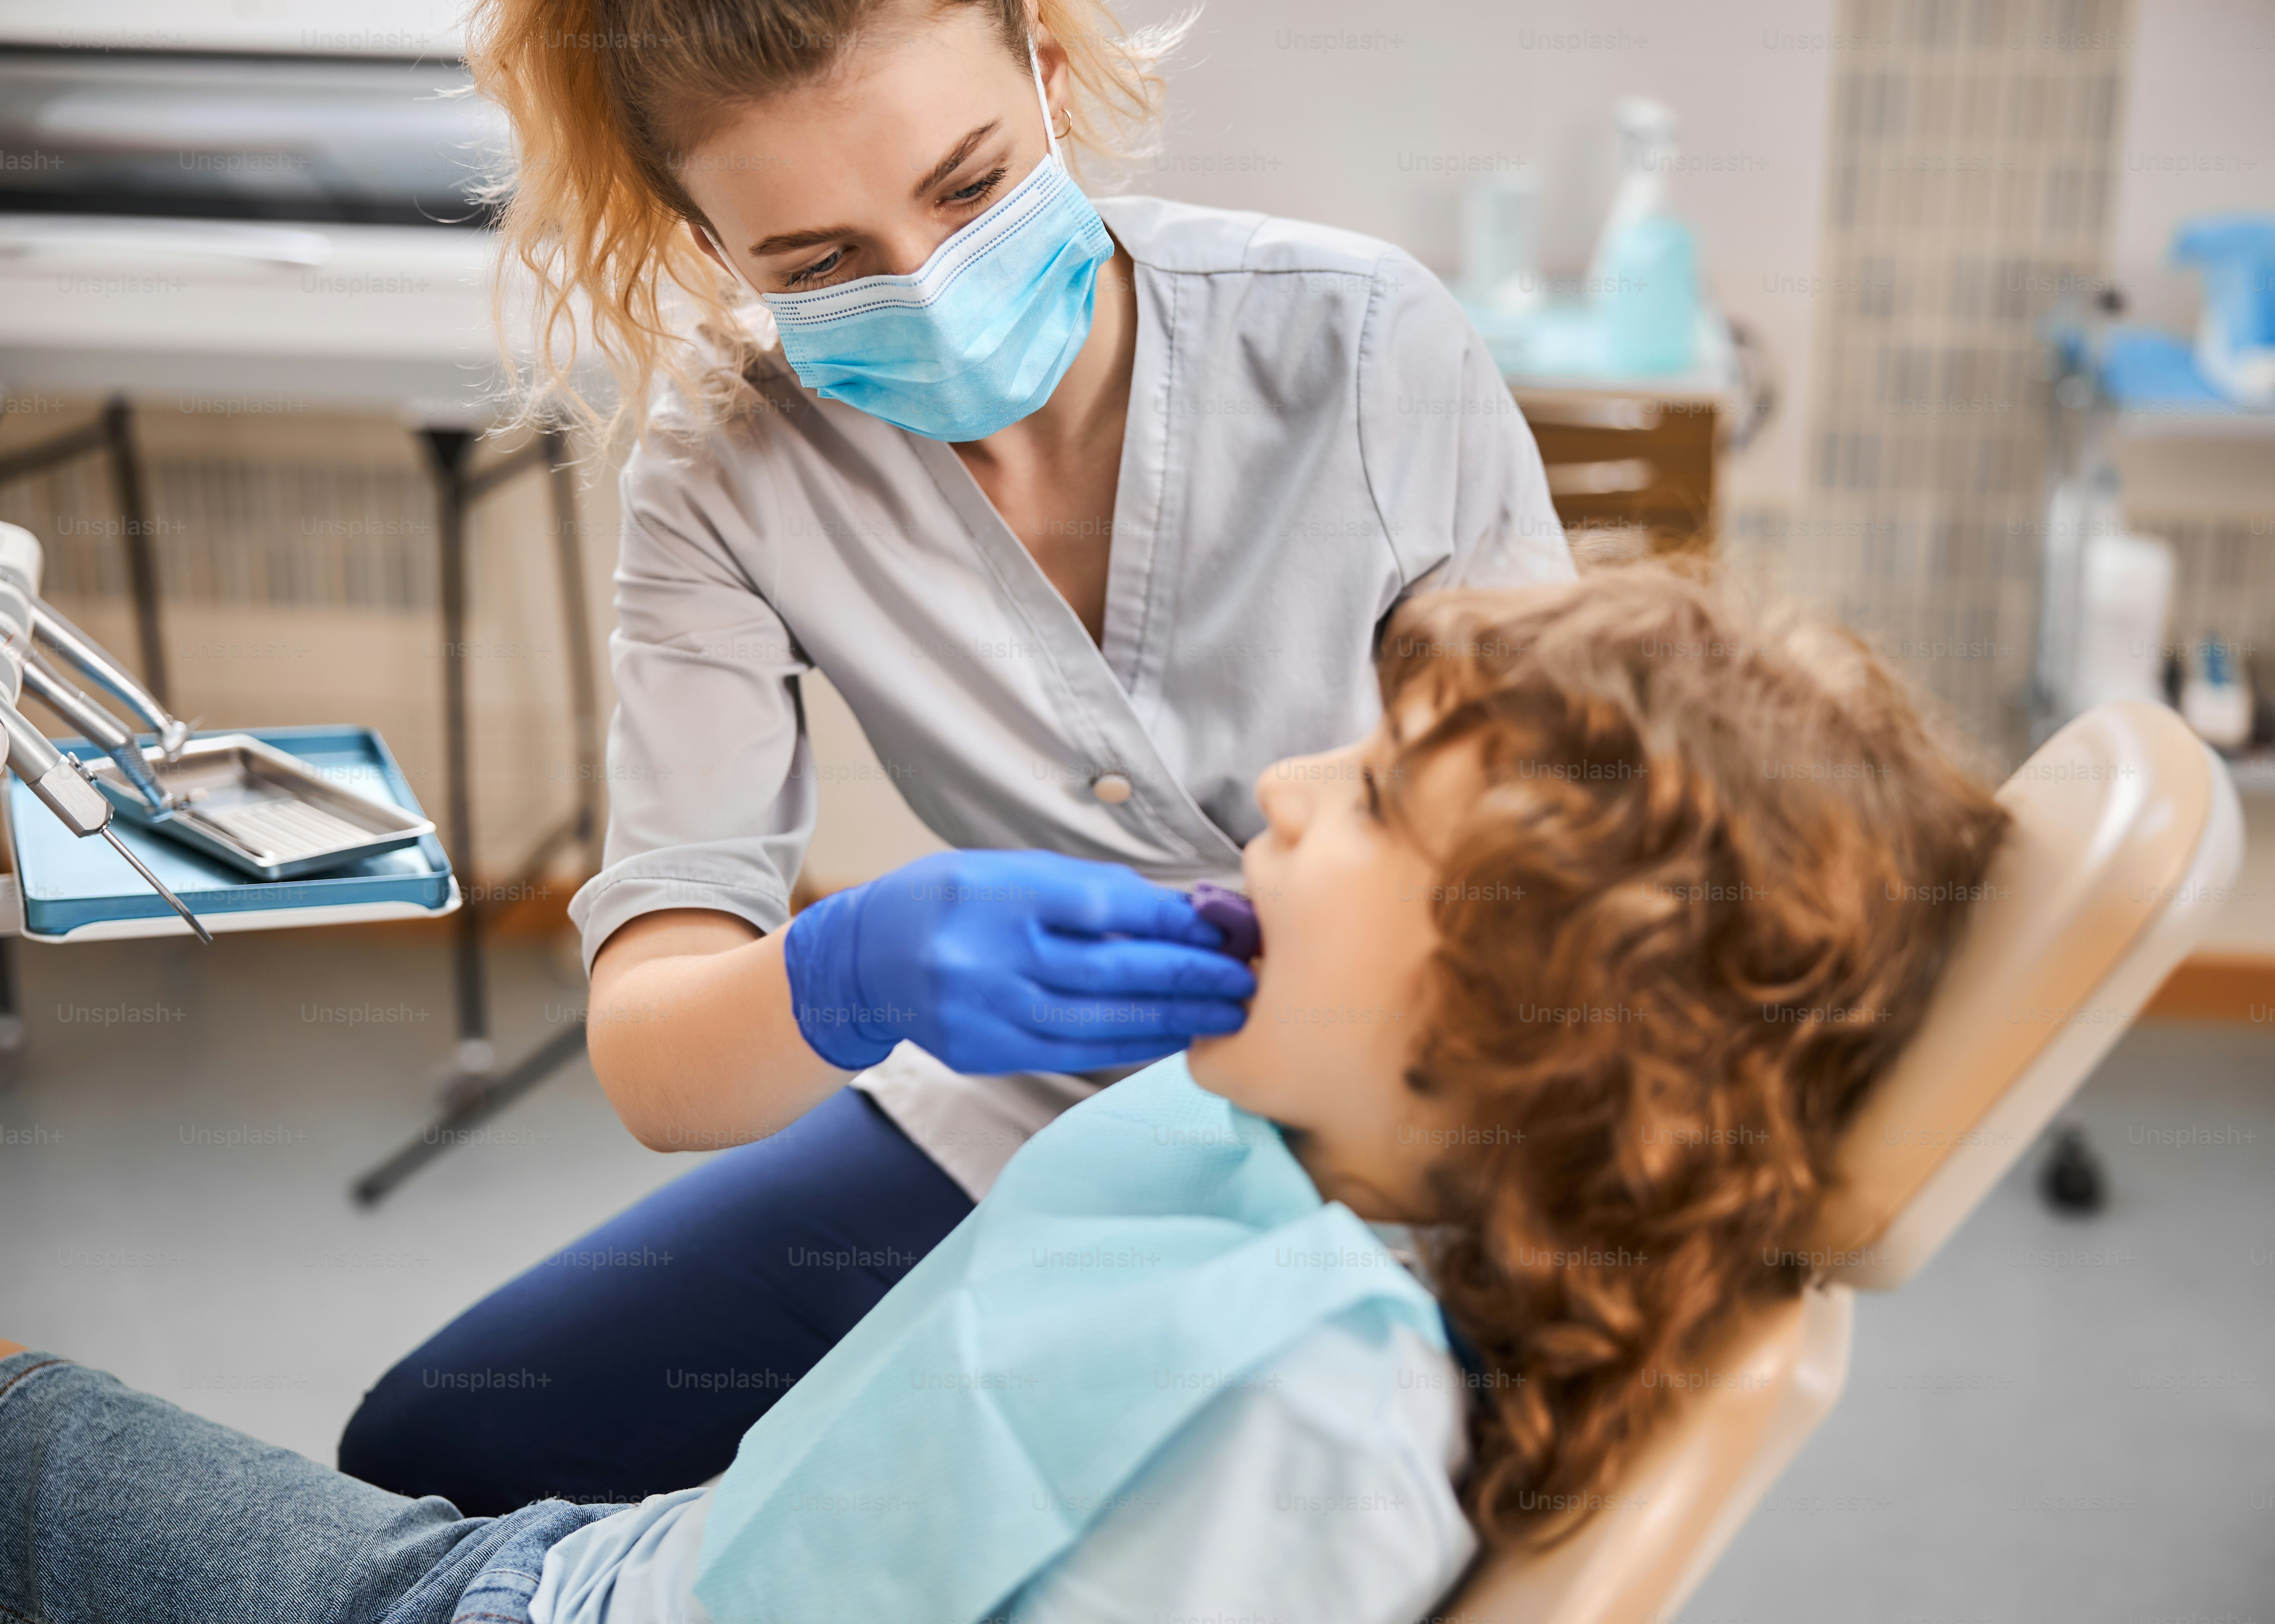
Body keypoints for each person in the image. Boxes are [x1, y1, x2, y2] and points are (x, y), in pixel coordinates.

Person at [0, 566, 2007, 1624]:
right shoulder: (1287, 1163)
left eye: (1379, 799)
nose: (1290, 787)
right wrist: (848, 971)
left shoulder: (1315, 1413)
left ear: (1517, 1033)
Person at [339, 0, 1579, 1513]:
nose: (928, 291)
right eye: (817, 264)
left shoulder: (1363, 345)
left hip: (1404, 1123)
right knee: (448, 1446)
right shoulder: (726, 464)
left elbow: (1569, 879)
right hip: (1031, 1106)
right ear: (710, 243)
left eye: (971, 186)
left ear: (1049, 74)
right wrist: (847, 972)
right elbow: (659, 1059)